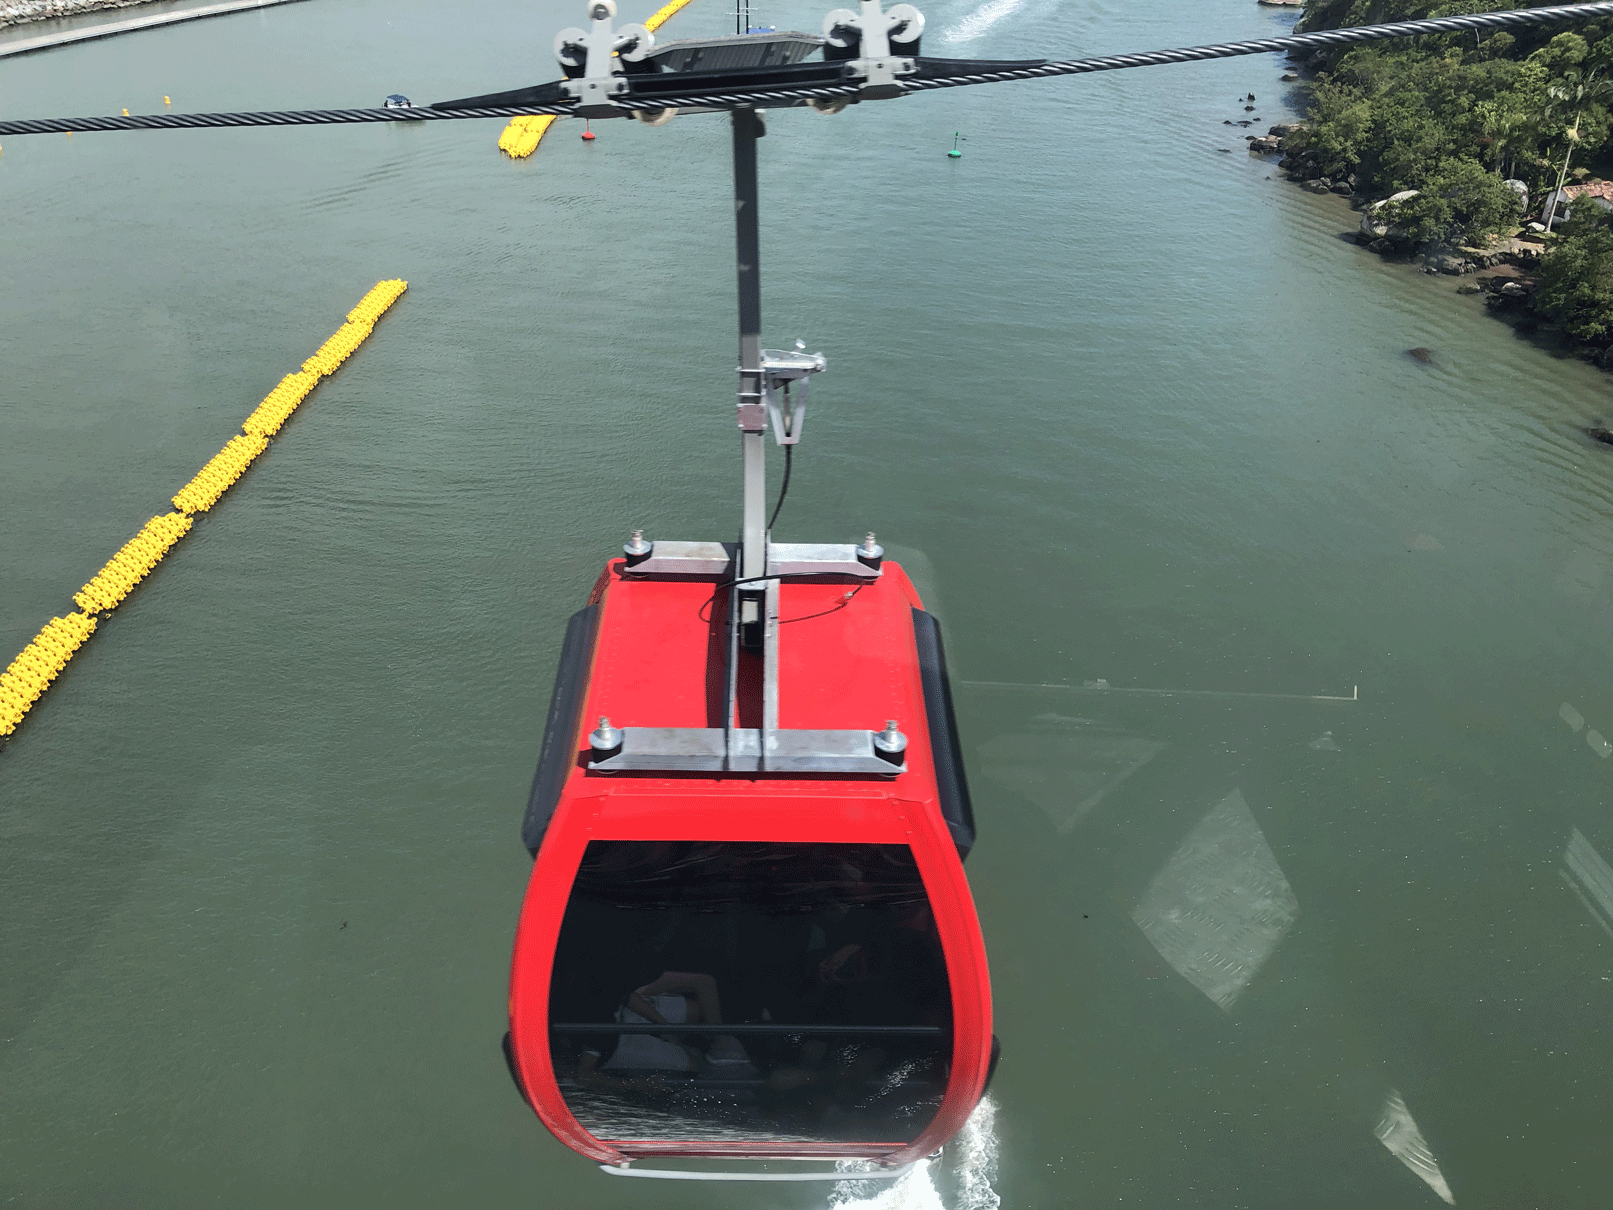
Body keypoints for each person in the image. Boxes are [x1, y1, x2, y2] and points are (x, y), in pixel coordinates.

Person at [577, 971, 754, 1081]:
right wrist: (631, 1086)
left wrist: (664, 1027)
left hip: (621, 1011)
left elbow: (624, 995)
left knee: (694, 1010)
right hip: (615, 1043)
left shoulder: (594, 982)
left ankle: (719, 1048)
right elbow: (583, 1074)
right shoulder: (589, 1030)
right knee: (694, 1065)